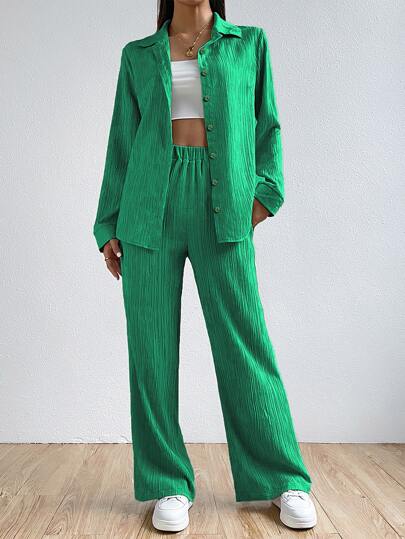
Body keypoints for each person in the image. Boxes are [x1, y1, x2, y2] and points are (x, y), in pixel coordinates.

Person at [93, 0, 317, 532]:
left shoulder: (249, 44)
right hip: (149, 206)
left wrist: (263, 195)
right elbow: (122, 141)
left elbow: (267, 127)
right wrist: (109, 223)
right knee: (150, 351)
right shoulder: (138, 55)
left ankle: (282, 476)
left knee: (245, 343)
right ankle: (167, 480)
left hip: (224, 206)